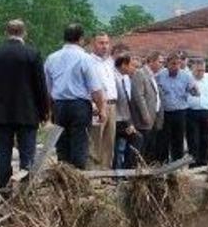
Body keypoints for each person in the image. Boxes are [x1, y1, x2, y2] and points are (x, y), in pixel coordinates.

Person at [0, 19, 50, 193]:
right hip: (27, 113)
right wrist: (44, 112)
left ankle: (4, 192)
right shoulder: (32, 54)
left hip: (1, 114)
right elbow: (40, 87)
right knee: (27, 154)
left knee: (3, 153)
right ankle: (27, 192)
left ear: (6, 33)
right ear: (24, 33)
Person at [44, 23, 105, 169]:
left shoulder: (52, 58)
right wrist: (102, 109)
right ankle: (78, 180)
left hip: (58, 105)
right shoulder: (85, 58)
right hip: (79, 106)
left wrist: (49, 111)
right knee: (79, 144)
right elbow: (95, 88)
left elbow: (47, 88)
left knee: (62, 144)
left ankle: (63, 178)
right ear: (81, 39)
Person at [154, 52, 198, 162]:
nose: (176, 67)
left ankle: (177, 165)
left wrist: (194, 90)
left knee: (178, 140)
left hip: (180, 112)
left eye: (178, 64)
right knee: (163, 140)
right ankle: (163, 164)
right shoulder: (159, 76)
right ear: (167, 64)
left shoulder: (186, 76)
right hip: (165, 113)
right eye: (173, 64)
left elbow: (195, 92)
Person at [87, 32, 119, 168]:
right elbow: (87, 86)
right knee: (95, 141)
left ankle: (106, 173)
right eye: (101, 43)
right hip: (97, 106)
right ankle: (94, 176)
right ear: (93, 44)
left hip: (112, 105)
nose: (104, 46)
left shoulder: (110, 62)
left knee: (109, 141)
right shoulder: (88, 61)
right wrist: (94, 105)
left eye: (106, 43)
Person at [185, 57, 208, 167]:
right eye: (198, 70)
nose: (201, 73)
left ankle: (204, 162)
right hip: (191, 112)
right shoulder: (187, 78)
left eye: (203, 70)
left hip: (206, 112)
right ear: (192, 69)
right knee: (193, 139)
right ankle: (193, 162)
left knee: (206, 138)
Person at [112, 53, 144, 169]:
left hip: (123, 119)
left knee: (136, 138)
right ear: (124, 65)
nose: (134, 69)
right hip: (116, 119)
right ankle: (125, 170)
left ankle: (127, 169)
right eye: (132, 66)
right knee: (135, 139)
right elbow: (118, 101)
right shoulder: (113, 77)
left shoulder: (124, 78)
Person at [133, 51, 163, 163]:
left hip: (154, 116)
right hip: (144, 119)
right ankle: (139, 169)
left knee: (151, 146)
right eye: (160, 62)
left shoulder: (152, 75)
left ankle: (148, 169)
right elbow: (139, 96)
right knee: (143, 147)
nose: (162, 64)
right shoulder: (140, 73)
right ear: (151, 61)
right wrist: (145, 115)